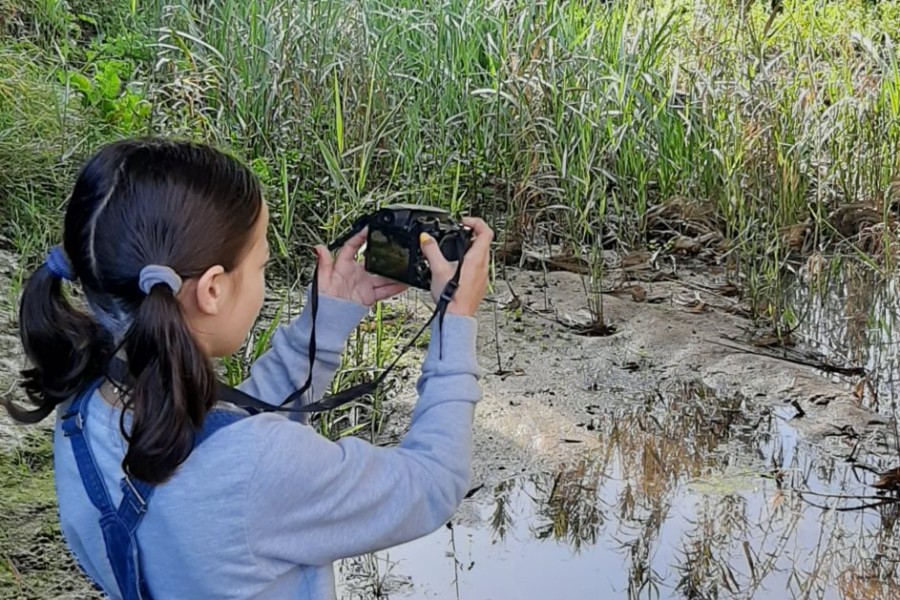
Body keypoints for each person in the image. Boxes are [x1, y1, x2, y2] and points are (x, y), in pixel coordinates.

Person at [3, 137, 493, 599]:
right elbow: (432, 482)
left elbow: (228, 442)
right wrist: (455, 323)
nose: (261, 278)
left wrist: (327, 323)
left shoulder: (84, 410)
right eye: (260, 265)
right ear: (212, 289)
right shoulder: (257, 467)